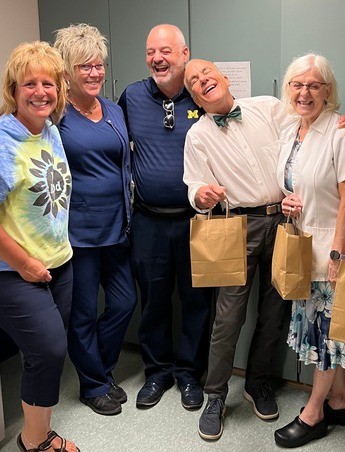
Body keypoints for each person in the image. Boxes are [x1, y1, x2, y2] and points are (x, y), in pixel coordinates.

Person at [183, 58, 291, 441]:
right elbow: (194, 184)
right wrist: (201, 195)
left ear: (224, 78)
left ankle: (258, 382)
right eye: (193, 82)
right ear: (194, 96)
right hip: (235, 226)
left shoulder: (269, 108)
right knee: (228, 318)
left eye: (206, 74)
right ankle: (215, 396)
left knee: (275, 310)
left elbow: (307, 134)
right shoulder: (197, 135)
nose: (202, 81)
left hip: (284, 220)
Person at [271, 54, 345, 448]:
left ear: (328, 91)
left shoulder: (340, 132)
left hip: (330, 251)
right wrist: (287, 201)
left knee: (326, 337)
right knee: (324, 333)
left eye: (314, 85)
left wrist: (338, 256)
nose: (304, 93)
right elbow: (294, 184)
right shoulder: (292, 130)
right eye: (297, 85)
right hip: (302, 249)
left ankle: (314, 414)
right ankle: (340, 401)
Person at [118, 24, 213, 411]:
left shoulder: (203, 93)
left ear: (185, 54)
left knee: (196, 301)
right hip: (149, 222)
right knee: (153, 300)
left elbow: (242, 124)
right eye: (150, 52)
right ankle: (157, 372)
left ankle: (189, 374)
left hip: (197, 221)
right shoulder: (132, 96)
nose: (157, 59)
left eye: (166, 51)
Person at [53, 23, 137, 416]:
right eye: (84, 66)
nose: (94, 72)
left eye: (99, 64)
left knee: (124, 302)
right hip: (79, 234)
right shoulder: (57, 116)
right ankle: (93, 385)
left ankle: (100, 370)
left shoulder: (114, 110)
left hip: (118, 228)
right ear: (67, 71)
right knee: (83, 313)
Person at [0, 41, 79, 452]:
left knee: (44, 354)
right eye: (29, 83)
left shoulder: (50, 130)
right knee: (48, 350)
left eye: (48, 83)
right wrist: (24, 263)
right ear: (13, 90)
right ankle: (34, 441)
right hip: (15, 271)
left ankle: (40, 433)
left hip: (59, 263)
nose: (40, 92)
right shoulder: (4, 141)